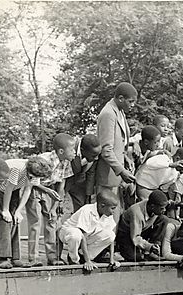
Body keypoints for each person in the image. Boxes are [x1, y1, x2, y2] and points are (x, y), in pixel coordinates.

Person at [0, 156, 52, 269]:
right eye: (31, 176)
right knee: (4, 221)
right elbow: (8, 189)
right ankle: (2, 258)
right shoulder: (17, 169)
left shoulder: (36, 172)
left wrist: (18, 211)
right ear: (28, 171)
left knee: (15, 221)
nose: (33, 178)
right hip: (0, 190)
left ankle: (15, 257)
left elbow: (27, 190)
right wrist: (5, 210)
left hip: (14, 191)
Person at [26, 133, 76, 266]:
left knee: (52, 221)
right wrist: (48, 191)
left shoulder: (66, 162)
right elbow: (33, 181)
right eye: (72, 150)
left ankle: (52, 257)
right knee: (35, 223)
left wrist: (56, 204)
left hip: (50, 191)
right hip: (35, 189)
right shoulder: (44, 159)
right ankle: (33, 258)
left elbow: (62, 184)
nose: (75, 152)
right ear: (61, 151)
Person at [96, 82, 137, 217]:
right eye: (130, 102)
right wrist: (122, 171)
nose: (132, 105)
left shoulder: (119, 111)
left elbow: (120, 143)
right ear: (120, 98)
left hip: (116, 175)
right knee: (107, 218)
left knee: (115, 215)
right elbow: (106, 150)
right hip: (108, 175)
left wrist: (125, 157)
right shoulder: (108, 114)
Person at [58, 189, 118, 271]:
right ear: (102, 206)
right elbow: (82, 236)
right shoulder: (87, 210)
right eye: (112, 208)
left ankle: (83, 256)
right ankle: (73, 258)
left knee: (110, 235)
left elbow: (111, 240)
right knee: (76, 235)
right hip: (69, 234)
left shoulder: (107, 214)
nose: (114, 212)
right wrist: (88, 261)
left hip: (87, 237)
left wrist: (112, 260)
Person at [115, 189, 170, 262]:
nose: (165, 210)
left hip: (141, 229)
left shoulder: (153, 206)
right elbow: (135, 238)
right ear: (153, 206)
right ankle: (123, 250)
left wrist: (177, 203)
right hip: (127, 234)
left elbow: (168, 203)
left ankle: (153, 250)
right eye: (162, 208)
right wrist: (149, 246)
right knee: (136, 258)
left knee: (164, 219)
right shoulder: (136, 213)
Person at [65, 134, 101, 212]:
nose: (97, 158)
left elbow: (91, 173)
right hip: (65, 179)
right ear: (82, 150)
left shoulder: (93, 154)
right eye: (94, 155)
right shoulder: (69, 149)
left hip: (79, 182)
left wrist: (88, 194)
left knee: (81, 206)